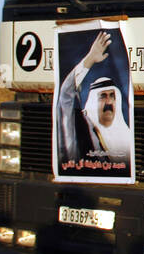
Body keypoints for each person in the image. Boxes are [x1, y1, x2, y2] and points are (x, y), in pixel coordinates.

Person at [57, 31, 133, 164]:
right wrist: (90, 59)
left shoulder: (126, 134)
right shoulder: (81, 126)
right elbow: (65, 95)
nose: (109, 102)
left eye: (112, 96)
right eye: (102, 96)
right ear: (92, 100)